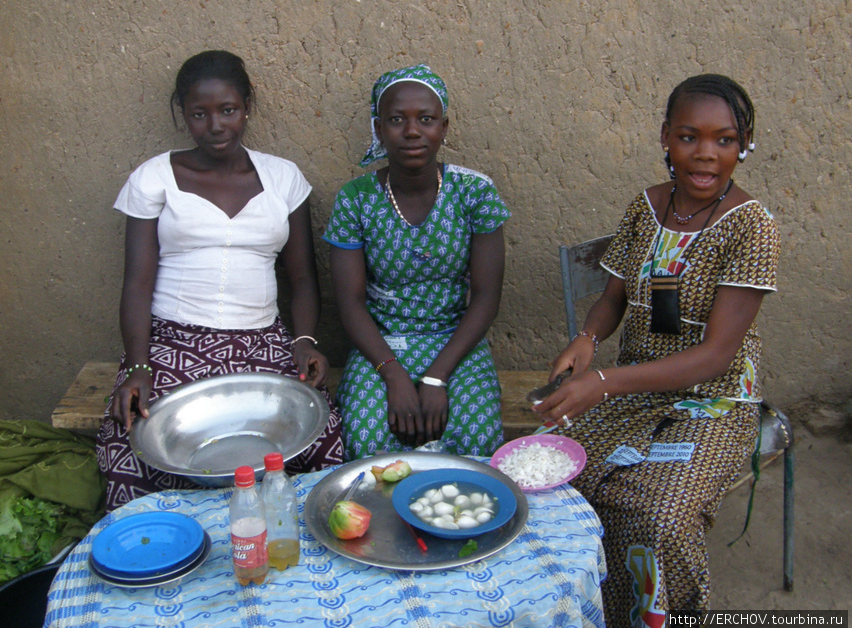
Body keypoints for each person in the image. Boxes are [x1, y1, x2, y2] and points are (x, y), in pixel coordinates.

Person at [533, 74, 780, 625]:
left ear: (744, 146)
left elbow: (717, 356)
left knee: (659, 516)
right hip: (633, 395)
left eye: (725, 140)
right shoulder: (646, 208)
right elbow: (614, 295)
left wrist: (600, 383)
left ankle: (669, 616)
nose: (706, 155)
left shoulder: (752, 228)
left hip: (713, 404)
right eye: (690, 136)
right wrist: (587, 339)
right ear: (666, 136)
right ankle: (581, 609)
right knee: (549, 474)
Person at [96, 50, 343, 512]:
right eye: (199, 113)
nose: (215, 125)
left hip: (262, 340)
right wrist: (137, 366)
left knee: (319, 438)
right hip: (174, 340)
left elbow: (304, 278)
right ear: (182, 114)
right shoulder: (155, 178)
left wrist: (305, 342)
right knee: (131, 440)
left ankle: (295, 560)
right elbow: (136, 284)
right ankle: (169, 556)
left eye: (227, 110)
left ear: (247, 106)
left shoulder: (282, 178)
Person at [323, 64, 510, 460]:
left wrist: (437, 376)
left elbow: (486, 297)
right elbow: (351, 303)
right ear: (378, 128)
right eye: (396, 120)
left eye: (425, 119)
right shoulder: (355, 199)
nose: (411, 131)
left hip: (457, 342)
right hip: (381, 345)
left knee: (476, 440)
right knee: (367, 441)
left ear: (444, 126)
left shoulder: (475, 192)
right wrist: (393, 375)